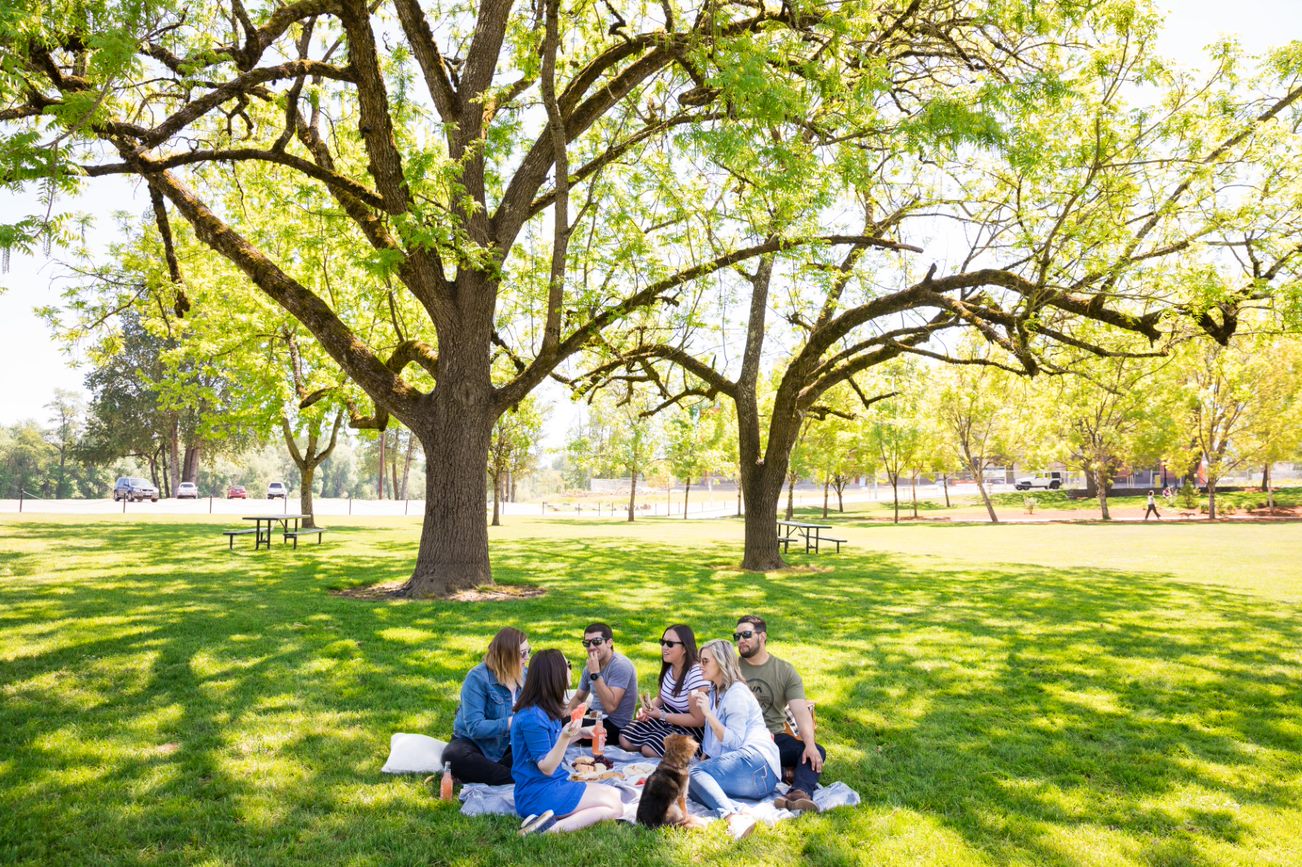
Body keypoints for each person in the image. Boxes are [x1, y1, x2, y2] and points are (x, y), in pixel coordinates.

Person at [511, 649, 624, 834]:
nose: (571, 669)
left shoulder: (544, 708)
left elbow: (551, 747)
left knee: (614, 795)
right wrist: (565, 736)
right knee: (615, 806)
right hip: (538, 793)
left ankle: (543, 821)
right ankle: (550, 830)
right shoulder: (532, 718)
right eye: (568, 665)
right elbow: (546, 767)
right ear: (554, 674)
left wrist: (580, 733)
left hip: (552, 784)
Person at [687, 638, 780, 841]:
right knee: (694, 787)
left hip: (758, 765)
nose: (699, 666)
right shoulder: (714, 691)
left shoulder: (736, 693)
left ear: (721, 663)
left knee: (696, 774)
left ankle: (732, 818)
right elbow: (714, 743)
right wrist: (704, 761)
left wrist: (708, 715)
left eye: (705, 661)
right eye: (699, 661)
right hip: (749, 772)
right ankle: (744, 812)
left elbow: (735, 742)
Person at [735, 615, 826, 813]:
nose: (741, 640)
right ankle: (785, 772)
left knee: (814, 751)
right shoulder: (732, 667)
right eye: (737, 636)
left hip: (774, 739)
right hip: (740, 738)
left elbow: (800, 711)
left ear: (763, 636)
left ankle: (798, 793)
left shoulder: (784, 671)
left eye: (746, 634)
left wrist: (809, 745)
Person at [443, 627, 528, 786]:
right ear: (507, 656)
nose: (527, 657)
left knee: (539, 743)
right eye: (522, 653)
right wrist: (513, 722)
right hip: (473, 744)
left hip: (507, 747)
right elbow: (475, 727)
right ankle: (516, 777)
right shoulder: (477, 678)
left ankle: (488, 774)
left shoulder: (526, 674)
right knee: (453, 757)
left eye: (528, 651)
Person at [618, 624, 708, 757]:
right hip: (666, 718)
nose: (664, 647)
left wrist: (661, 715)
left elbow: (698, 720)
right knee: (625, 738)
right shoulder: (670, 667)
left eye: (670, 644)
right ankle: (656, 739)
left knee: (649, 749)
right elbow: (661, 698)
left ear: (684, 648)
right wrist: (647, 709)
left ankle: (689, 751)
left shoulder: (695, 675)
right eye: (663, 642)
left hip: (690, 727)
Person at [564, 622, 638, 742]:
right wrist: (568, 711)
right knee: (558, 721)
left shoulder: (620, 666)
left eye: (597, 641)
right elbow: (579, 697)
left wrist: (595, 674)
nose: (591, 647)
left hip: (615, 725)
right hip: (595, 715)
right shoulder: (591, 666)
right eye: (587, 643)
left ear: (609, 643)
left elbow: (610, 707)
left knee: (564, 728)